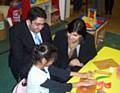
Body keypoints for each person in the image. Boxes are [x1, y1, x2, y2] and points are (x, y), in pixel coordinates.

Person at [27, 42, 96, 93]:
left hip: (45, 89)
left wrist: (80, 74)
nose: (53, 62)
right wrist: (81, 83)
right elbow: (59, 87)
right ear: (44, 60)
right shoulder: (36, 75)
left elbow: (58, 72)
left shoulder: (40, 64)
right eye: (52, 60)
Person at [8, 7, 52, 82]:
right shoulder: (15, 31)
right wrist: (41, 63)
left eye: (42, 24)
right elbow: (19, 57)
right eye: (37, 24)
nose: (41, 27)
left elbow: (50, 45)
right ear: (28, 21)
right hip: (24, 63)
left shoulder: (46, 27)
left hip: (43, 60)